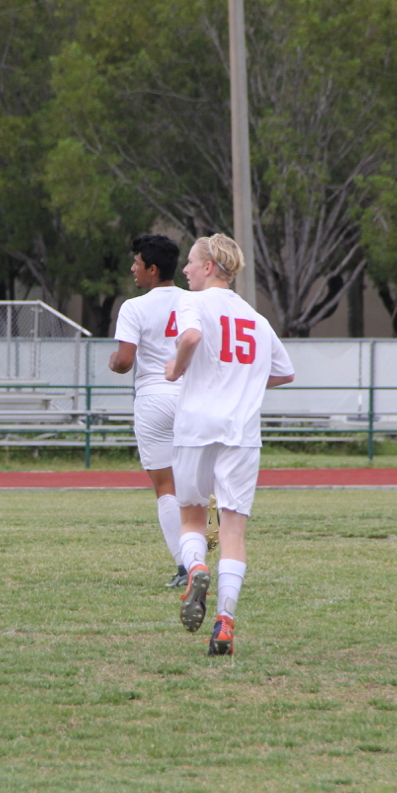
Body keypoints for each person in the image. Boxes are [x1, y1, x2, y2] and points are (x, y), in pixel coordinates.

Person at [164, 233, 294, 656]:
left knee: (191, 519)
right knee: (234, 531)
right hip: (241, 432)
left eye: (190, 262)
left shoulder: (192, 302)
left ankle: (196, 566)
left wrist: (174, 371)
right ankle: (224, 622)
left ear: (208, 267)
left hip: (196, 426)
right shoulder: (255, 317)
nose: (184, 270)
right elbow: (285, 372)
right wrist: (247, 382)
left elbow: (190, 339)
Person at [108, 234, 189, 587]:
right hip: (192, 398)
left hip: (155, 399)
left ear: (152, 269)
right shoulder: (195, 302)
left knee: (166, 487)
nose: (133, 269)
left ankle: (187, 568)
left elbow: (125, 362)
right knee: (195, 484)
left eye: (137, 263)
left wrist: (113, 361)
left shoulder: (134, 307)